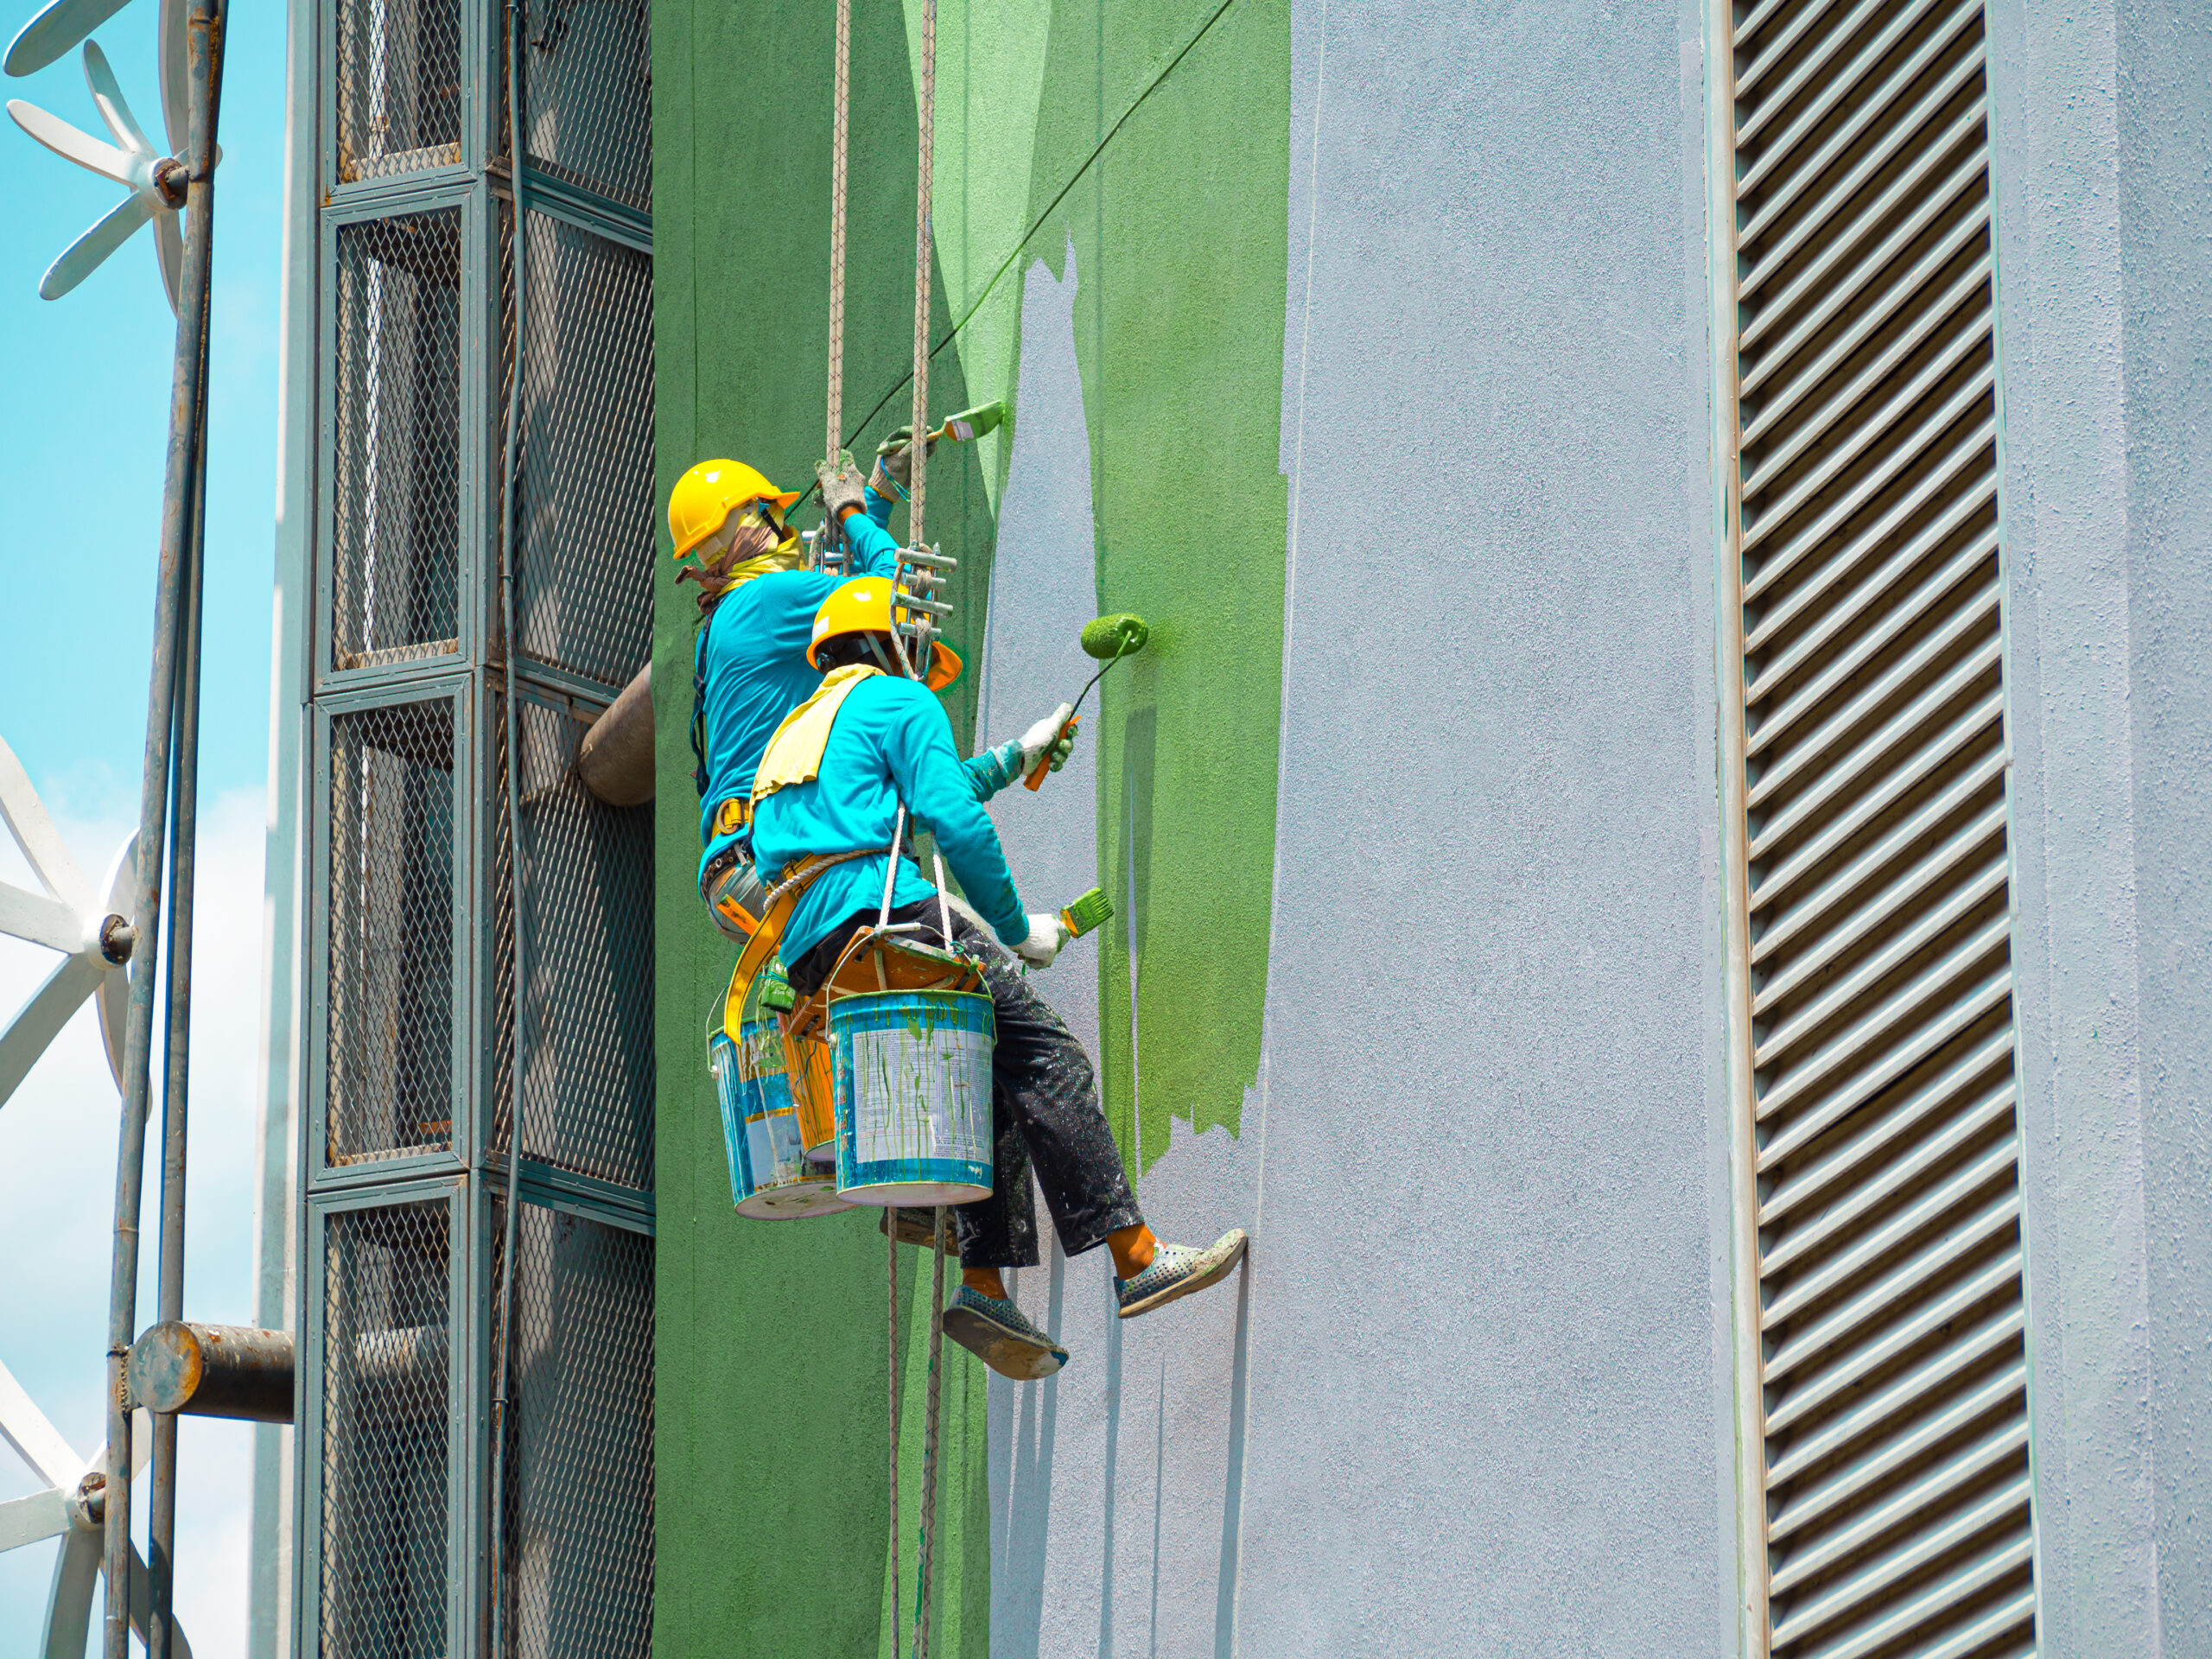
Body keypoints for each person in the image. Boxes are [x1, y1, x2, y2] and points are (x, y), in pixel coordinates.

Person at [744, 575, 1249, 1381]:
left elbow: (899, 808)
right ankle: (1136, 1255)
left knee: (979, 1083)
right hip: (891, 926)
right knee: (1051, 1059)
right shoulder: (900, 705)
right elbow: (952, 821)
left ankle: (981, 1282)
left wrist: (1018, 754)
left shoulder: (801, 732)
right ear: (892, 642)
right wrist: (1018, 930)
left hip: (817, 959)